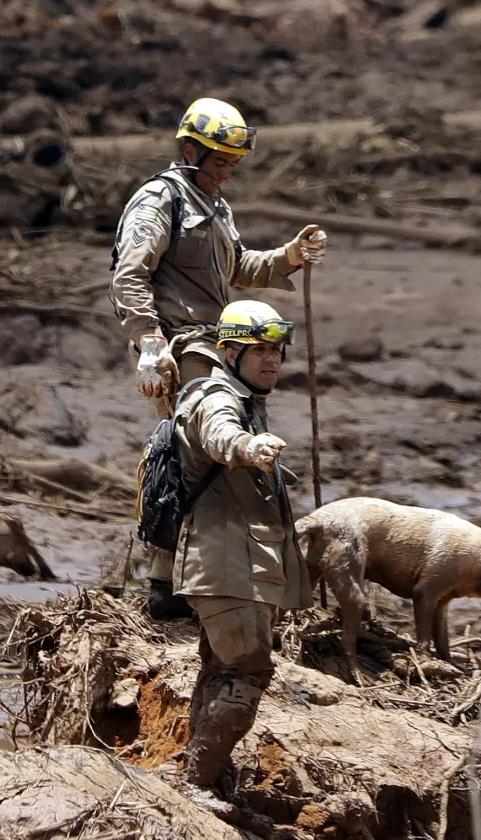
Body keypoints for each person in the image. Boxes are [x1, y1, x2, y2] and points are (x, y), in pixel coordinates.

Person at [111, 97, 325, 618]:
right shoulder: (161, 201)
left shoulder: (215, 205)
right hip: (180, 345)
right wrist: (150, 344)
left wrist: (289, 256)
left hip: (221, 337)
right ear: (190, 150)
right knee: (194, 454)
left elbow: (238, 267)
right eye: (220, 161)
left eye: (233, 163)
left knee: (205, 460)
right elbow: (130, 274)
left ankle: (182, 580)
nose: (228, 172)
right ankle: (167, 585)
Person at [171, 299, 312, 789]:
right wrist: (247, 447)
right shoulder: (216, 397)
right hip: (225, 562)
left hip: (234, 561)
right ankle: (197, 787)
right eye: (258, 351)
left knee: (219, 669)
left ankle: (200, 771)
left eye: (277, 350)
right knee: (246, 673)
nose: (272, 360)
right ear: (229, 352)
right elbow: (219, 433)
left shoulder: (249, 401)